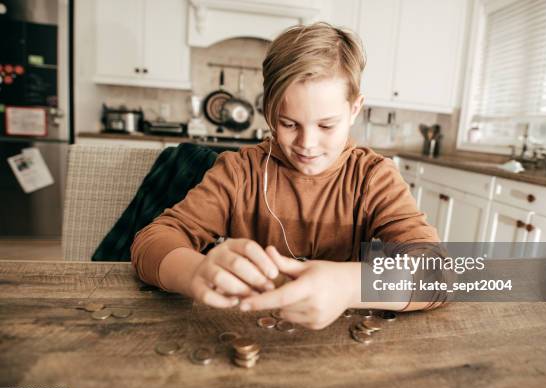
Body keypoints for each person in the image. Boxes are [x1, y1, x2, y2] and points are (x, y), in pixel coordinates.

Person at [131, 22, 449, 330]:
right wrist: (197, 271)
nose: (306, 144)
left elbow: (439, 275)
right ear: (269, 110)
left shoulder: (372, 178)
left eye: (326, 125)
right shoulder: (238, 173)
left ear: (355, 109)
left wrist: (351, 285)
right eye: (288, 123)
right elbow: (152, 241)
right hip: (246, 331)